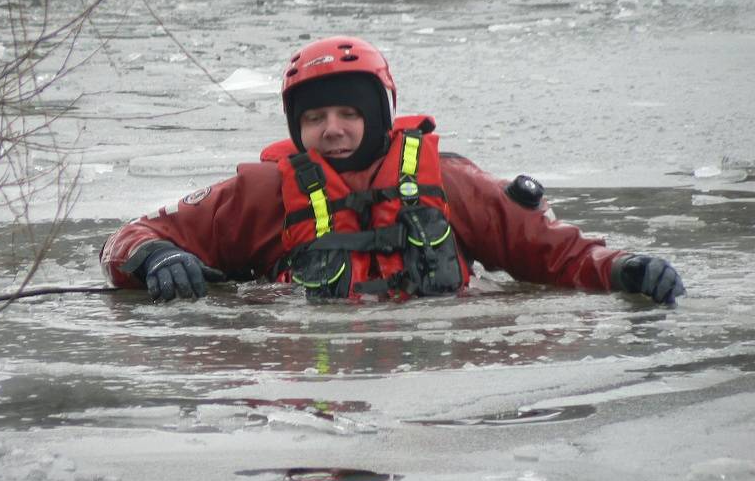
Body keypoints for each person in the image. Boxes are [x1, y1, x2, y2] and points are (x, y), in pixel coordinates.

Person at [100, 36, 685, 305]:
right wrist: (160, 257)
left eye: (350, 112)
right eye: (316, 117)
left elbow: (554, 252)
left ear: (380, 113)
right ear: (296, 126)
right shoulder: (260, 191)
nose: (332, 129)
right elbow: (131, 238)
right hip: (314, 387)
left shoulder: (450, 181)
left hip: (429, 373)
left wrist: (624, 268)